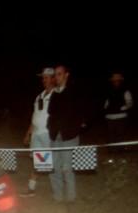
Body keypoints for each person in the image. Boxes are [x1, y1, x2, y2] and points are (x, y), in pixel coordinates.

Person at [46, 64, 88, 203]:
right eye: (55, 74)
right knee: (54, 167)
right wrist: (51, 128)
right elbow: (51, 112)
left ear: (66, 75)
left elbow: (80, 112)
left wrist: (76, 128)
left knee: (67, 168)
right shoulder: (55, 93)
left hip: (69, 136)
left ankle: (71, 197)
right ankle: (57, 196)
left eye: (59, 74)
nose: (56, 77)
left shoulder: (74, 92)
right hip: (55, 136)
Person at [20, 68, 57, 197]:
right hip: (36, 133)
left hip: (48, 133)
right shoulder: (39, 96)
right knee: (39, 162)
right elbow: (35, 116)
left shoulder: (57, 95)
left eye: (47, 77)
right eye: (43, 77)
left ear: (53, 78)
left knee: (52, 161)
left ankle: (57, 190)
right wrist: (28, 133)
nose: (44, 80)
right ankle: (31, 188)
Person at [103, 72, 134, 143]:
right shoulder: (108, 91)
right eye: (114, 81)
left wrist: (124, 107)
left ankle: (120, 150)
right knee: (111, 135)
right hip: (109, 117)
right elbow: (106, 102)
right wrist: (106, 109)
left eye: (117, 80)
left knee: (120, 134)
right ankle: (112, 150)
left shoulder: (126, 91)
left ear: (120, 81)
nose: (116, 82)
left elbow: (130, 102)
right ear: (112, 82)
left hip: (121, 117)